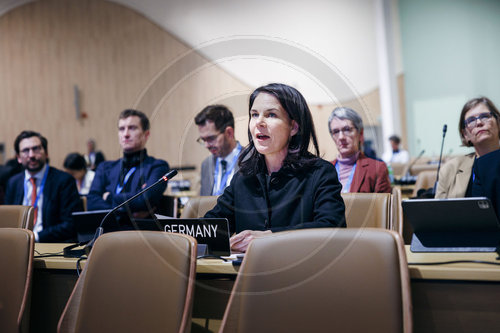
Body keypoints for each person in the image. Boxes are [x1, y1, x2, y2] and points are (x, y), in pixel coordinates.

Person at [205, 83, 346, 252]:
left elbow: (332, 228)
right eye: (254, 114)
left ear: (293, 127)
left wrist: (271, 236)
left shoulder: (320, 172)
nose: (259, 122)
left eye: (271, 114)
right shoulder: (243, 177)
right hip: (248, 275)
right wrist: (171, 229)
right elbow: (213, 227)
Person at [4, 131, 83, 242]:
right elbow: (7, 222)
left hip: (51, 245)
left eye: (36, 149)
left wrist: (35, 237)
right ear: (18, 157)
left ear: (46, 153)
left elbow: (71, 224)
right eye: (26, 150)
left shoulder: (64, 181)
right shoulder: (13, 183)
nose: (31, 155)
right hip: (17, 245)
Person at [87, 109, 169, 216]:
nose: (126, 134)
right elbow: (91, 204)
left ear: (146, 134)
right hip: (107, 231)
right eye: (121, 129)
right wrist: (130, 209)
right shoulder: (104, 167)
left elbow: (145, 201)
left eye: (132, 128)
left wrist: (108, 197)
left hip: (138, 231)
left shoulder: (157, 167)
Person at [436, 97, 500, 199]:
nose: (479, 122)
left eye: (485, 116)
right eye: (471, 120)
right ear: (465, 134)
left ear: (498, 122)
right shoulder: (450, 170)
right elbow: (438, 212)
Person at [329, 107, 391, 193]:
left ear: (360, 134)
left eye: (347, 129)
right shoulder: (323, 170)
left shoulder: (377, 169)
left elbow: (381, 206)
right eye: (335, 131)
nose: (341, 137)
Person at [194, 105, 242, 195]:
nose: (206, 145)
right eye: (203, 140)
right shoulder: (206, 164)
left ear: (229, 133)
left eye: (211, 138)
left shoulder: (251, 160)